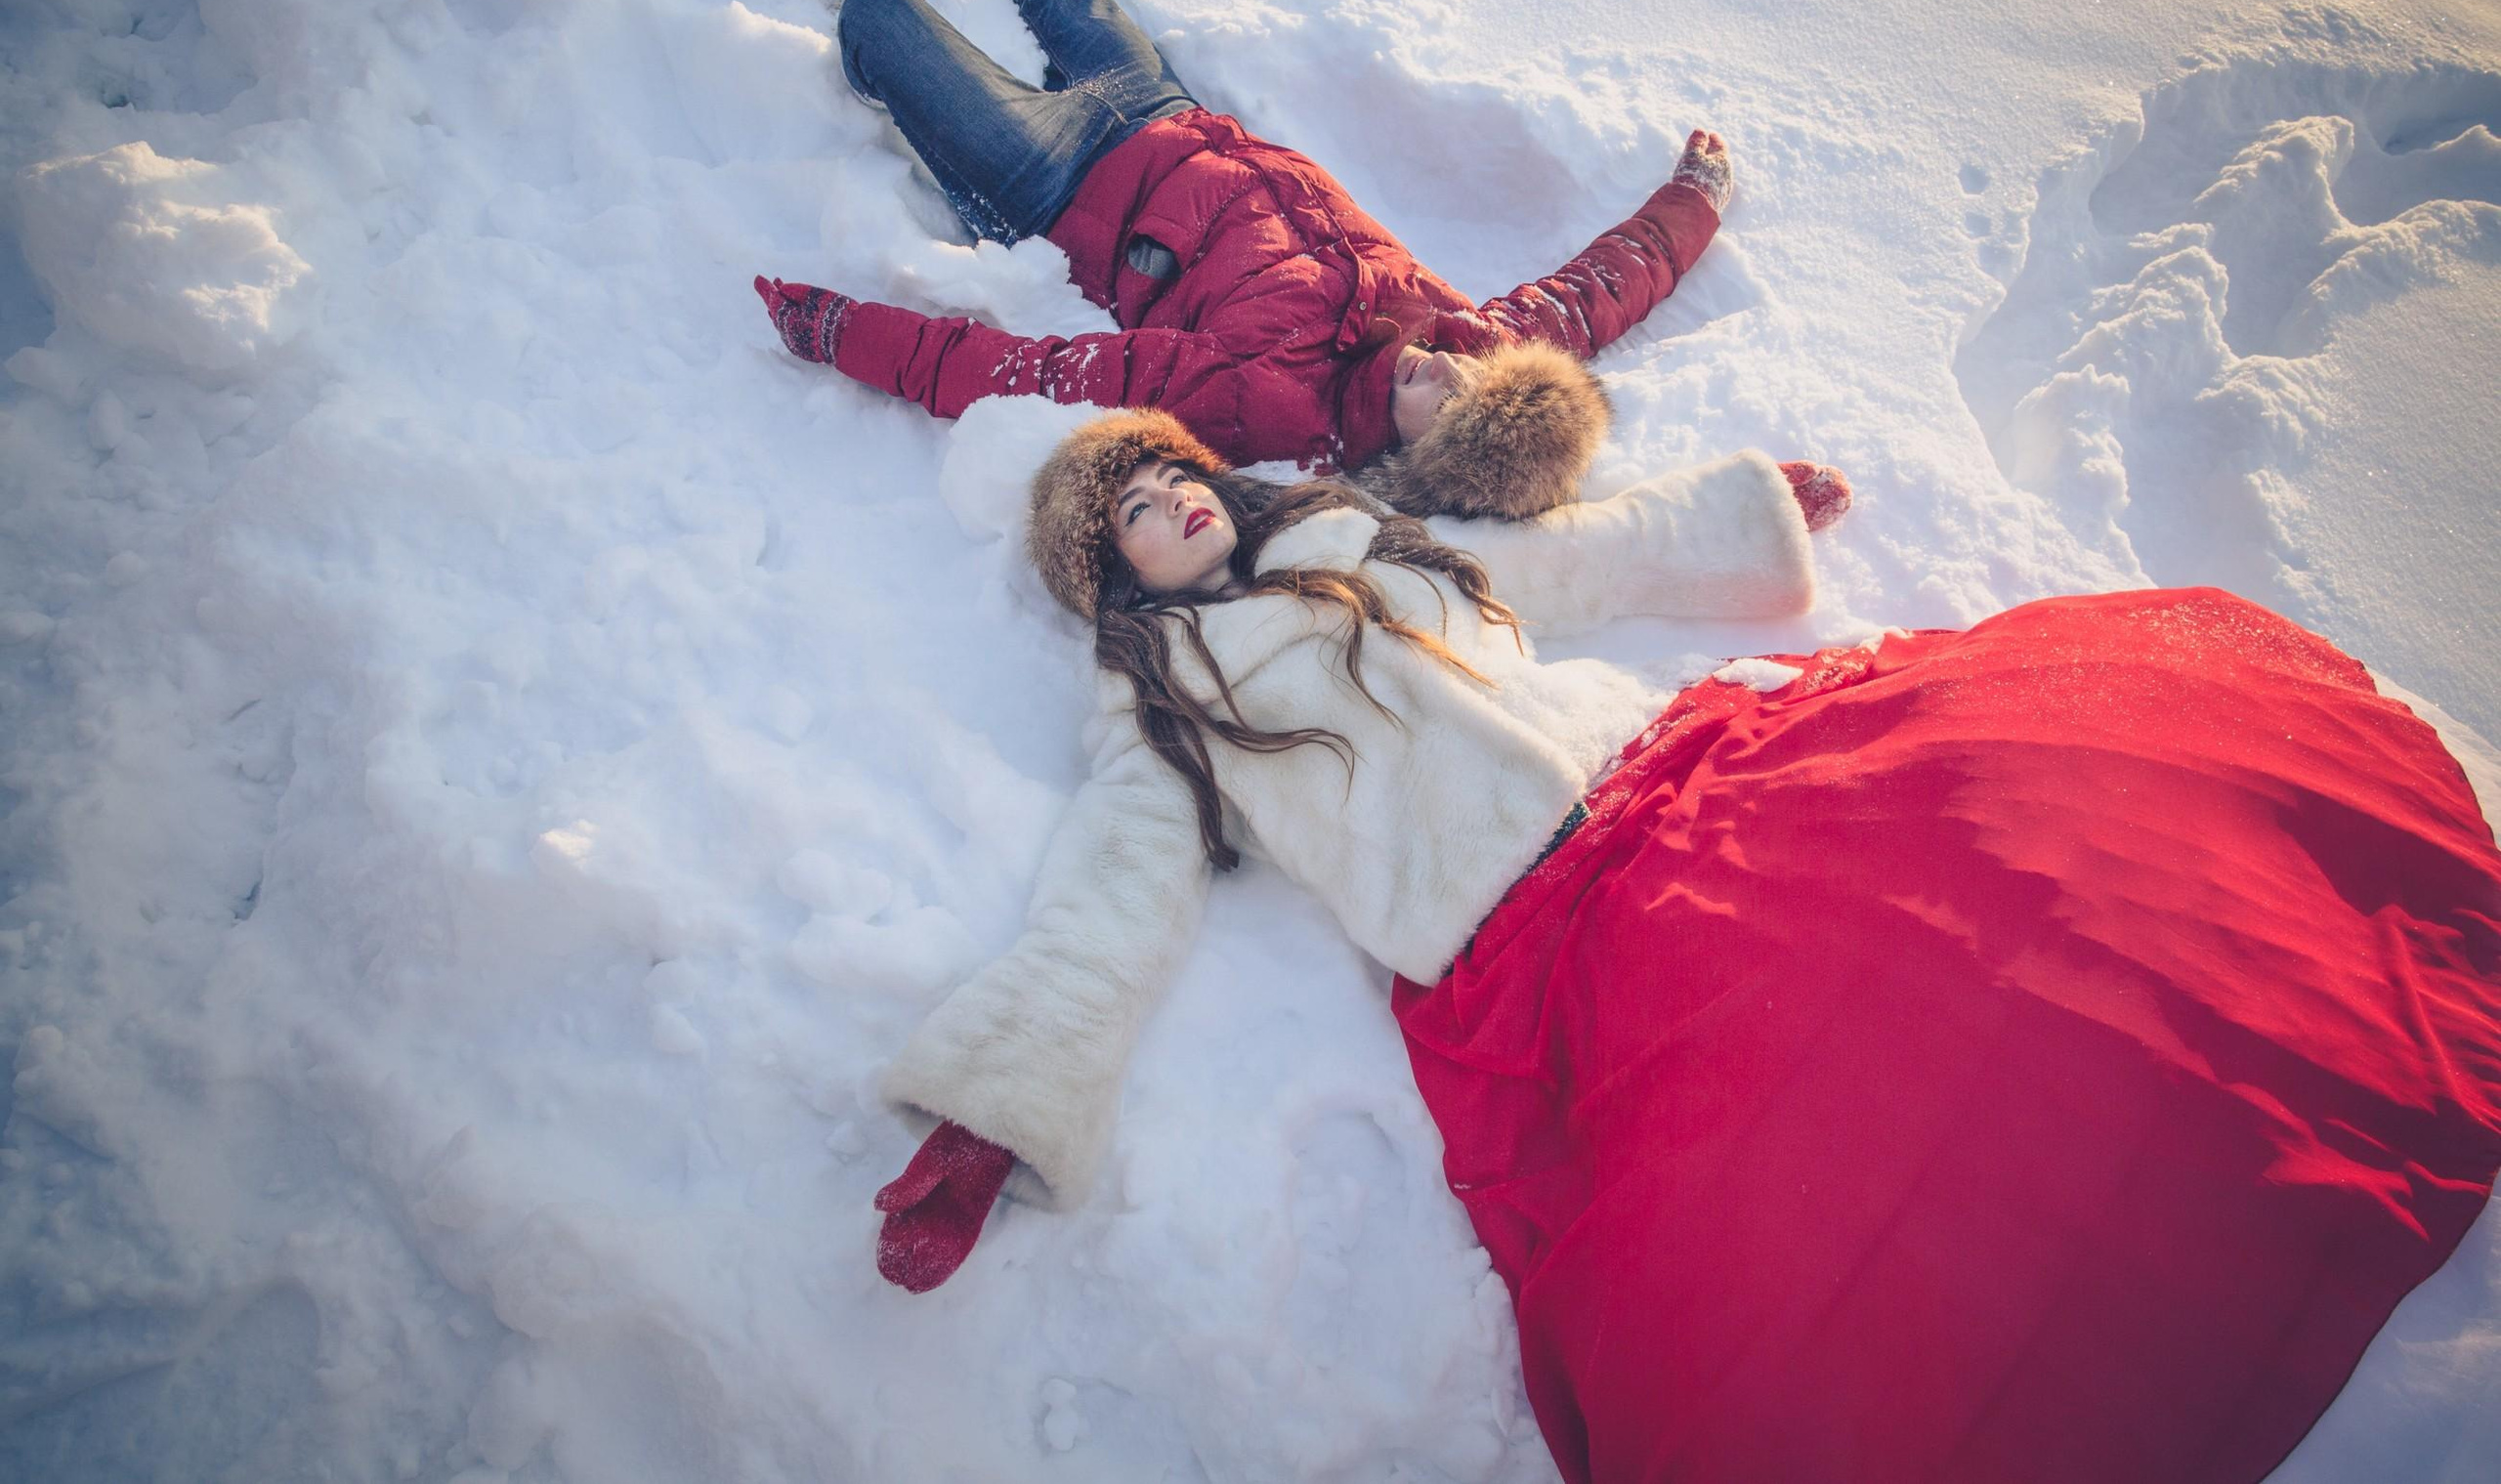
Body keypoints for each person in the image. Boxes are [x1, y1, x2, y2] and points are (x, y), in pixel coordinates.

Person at [869, 405, 2501, 1484]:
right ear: (1112, 581)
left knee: (2013, 864)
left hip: (1676, 787)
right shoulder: (1170, 709)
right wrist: (993, 1112)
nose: (1169, 506)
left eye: (1170, 480)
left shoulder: (1353, 543)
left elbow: (1570, 567)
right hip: (1533, 942)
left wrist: (1742, 520)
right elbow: (1111, 896)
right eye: (1133, 518)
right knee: (1779, 1190)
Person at [752, 0, 1798, 525]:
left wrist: (843, 331)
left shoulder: (1267, 406)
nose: (1448, 366)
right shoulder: (1467, 342)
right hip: (1171, 115)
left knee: (880, 19)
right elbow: (1602, 286)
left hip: (1052, 183)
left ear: (1419, 461)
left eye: (1449, 399)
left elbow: (1029, 372)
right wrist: (1691, 202)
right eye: (1474, 375)